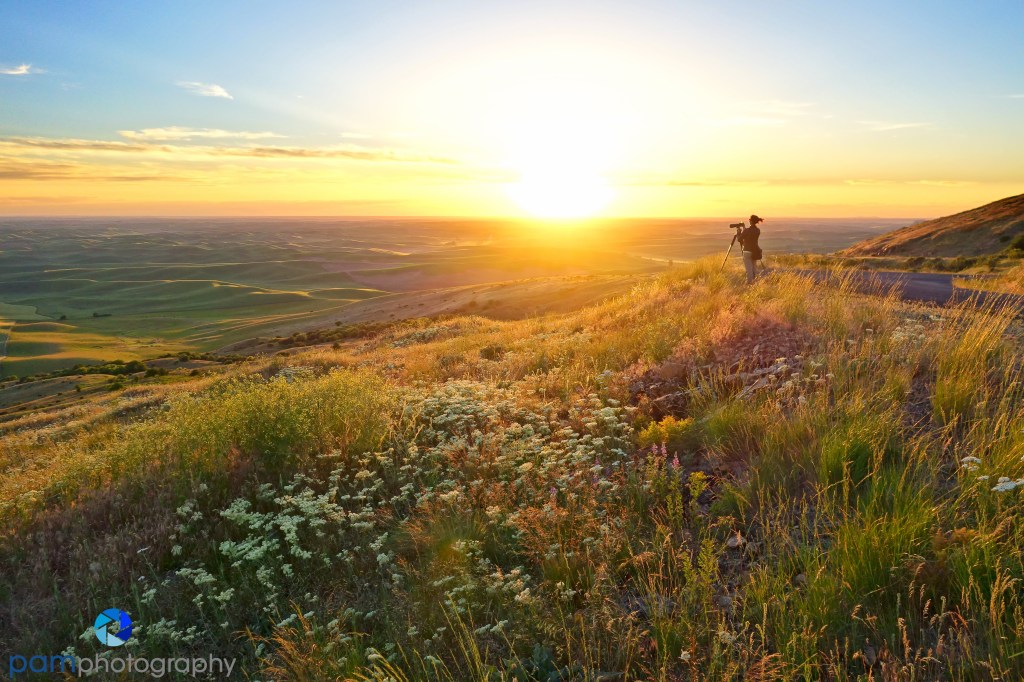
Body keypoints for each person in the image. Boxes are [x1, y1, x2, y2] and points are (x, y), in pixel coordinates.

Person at [739, 214, 764, 283]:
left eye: (749, 220)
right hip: (755, 251)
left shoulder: (747, 231)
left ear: (751, 221)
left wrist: (739, 233)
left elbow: (739, 239)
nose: (749, 221)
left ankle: (749, 283)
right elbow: (749, 234)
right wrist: (744, 228)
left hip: (747, 251)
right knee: (754, 267)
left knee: (748, 269)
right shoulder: (757, 230)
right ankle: (755, 282)